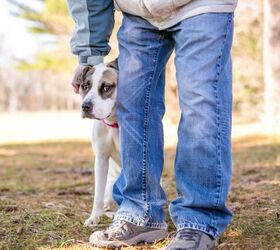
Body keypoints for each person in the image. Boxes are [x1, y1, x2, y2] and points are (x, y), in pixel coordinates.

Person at [67, 0, 237, 249]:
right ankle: (140, 212)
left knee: (201, 104)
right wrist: (89, 52)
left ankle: (199, 219)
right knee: (132, 108)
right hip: (138, 13)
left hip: (202, 5)